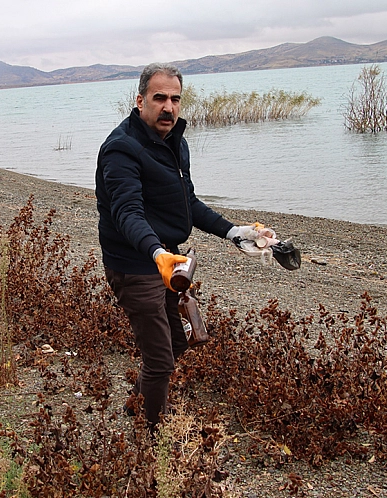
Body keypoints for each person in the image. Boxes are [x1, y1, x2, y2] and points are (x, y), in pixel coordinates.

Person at [96, 63, 270, 428]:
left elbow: (186, 203)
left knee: (177, 342)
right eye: (160, 98)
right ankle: (154, 437)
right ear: (140, 100)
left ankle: (139, 402)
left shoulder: (176, 143)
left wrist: (233, 231)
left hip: (169, 260)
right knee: (160, 358)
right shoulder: (121, 150)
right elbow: (127, 212)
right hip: (135, 262)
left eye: (175, 99)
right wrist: (156, 253)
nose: (169, 107)